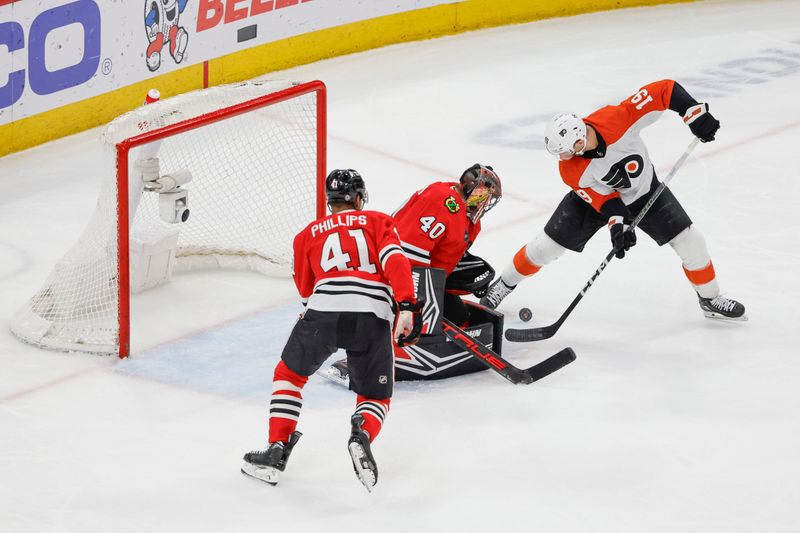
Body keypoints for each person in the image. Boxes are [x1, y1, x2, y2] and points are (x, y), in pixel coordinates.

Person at [480, 79, 747, 321]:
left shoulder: (617, 119)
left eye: (564, 152)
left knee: (692, 241)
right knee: (544, 248)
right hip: (592, 203)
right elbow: (604, 200)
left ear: (579, 140)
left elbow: (664, 90)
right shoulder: (570, 170)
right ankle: (503, 285)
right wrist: (617, 225)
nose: (562, 158)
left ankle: (710, 298)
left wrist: (693, 111)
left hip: (646, 192)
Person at [241, 169, 421, 492]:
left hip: (324, 309)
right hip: (372, 314)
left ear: (330, 202)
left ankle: (276, 449)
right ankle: (361, 433)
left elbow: (305, 290)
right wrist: (407, 305)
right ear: (359, 198)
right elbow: (395, 261)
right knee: (375, 395)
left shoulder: (307, 234)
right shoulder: (379, 222)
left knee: (289, 375)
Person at [327, 164, 504, 383]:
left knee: (460, 316)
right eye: (485, 196)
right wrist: (414, 304)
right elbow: (408, 252)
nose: (486, 203)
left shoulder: (461, 210)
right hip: (394, 275)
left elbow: (442, 251)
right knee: (438, 319)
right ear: (473, 189)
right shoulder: (443, 202)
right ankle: (375, 354)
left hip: (411, 272)